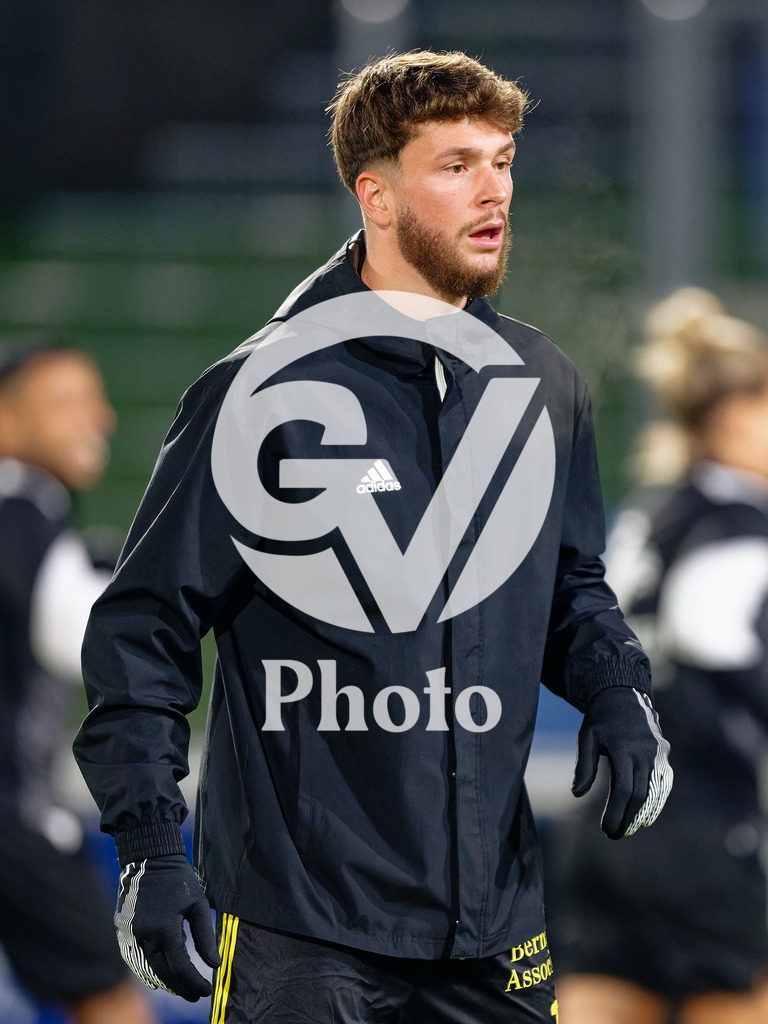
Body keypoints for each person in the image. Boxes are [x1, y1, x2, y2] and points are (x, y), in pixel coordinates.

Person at [72, 50, 672, 1024]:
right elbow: (143, 630)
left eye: (504, 161)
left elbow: (567, 584)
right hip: (305, 930)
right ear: (376, 195)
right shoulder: (261, 394)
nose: (494, 192)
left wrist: (616, 686)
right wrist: (148, 842)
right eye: (456, 165)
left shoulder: (539, 382)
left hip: (496, 924)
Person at [549, 287, 768, 1024]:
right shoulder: (743, 530)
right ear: (737, 419)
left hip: (603, 830)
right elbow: (715, 637)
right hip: (704, 833)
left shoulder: (652, 512)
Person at [0, 343, 157, 1023]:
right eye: (63, 405)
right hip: (11, 820)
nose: (95, 419)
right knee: (111, 1004)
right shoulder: (22, 512)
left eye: (93, 401)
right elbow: (87, 640)